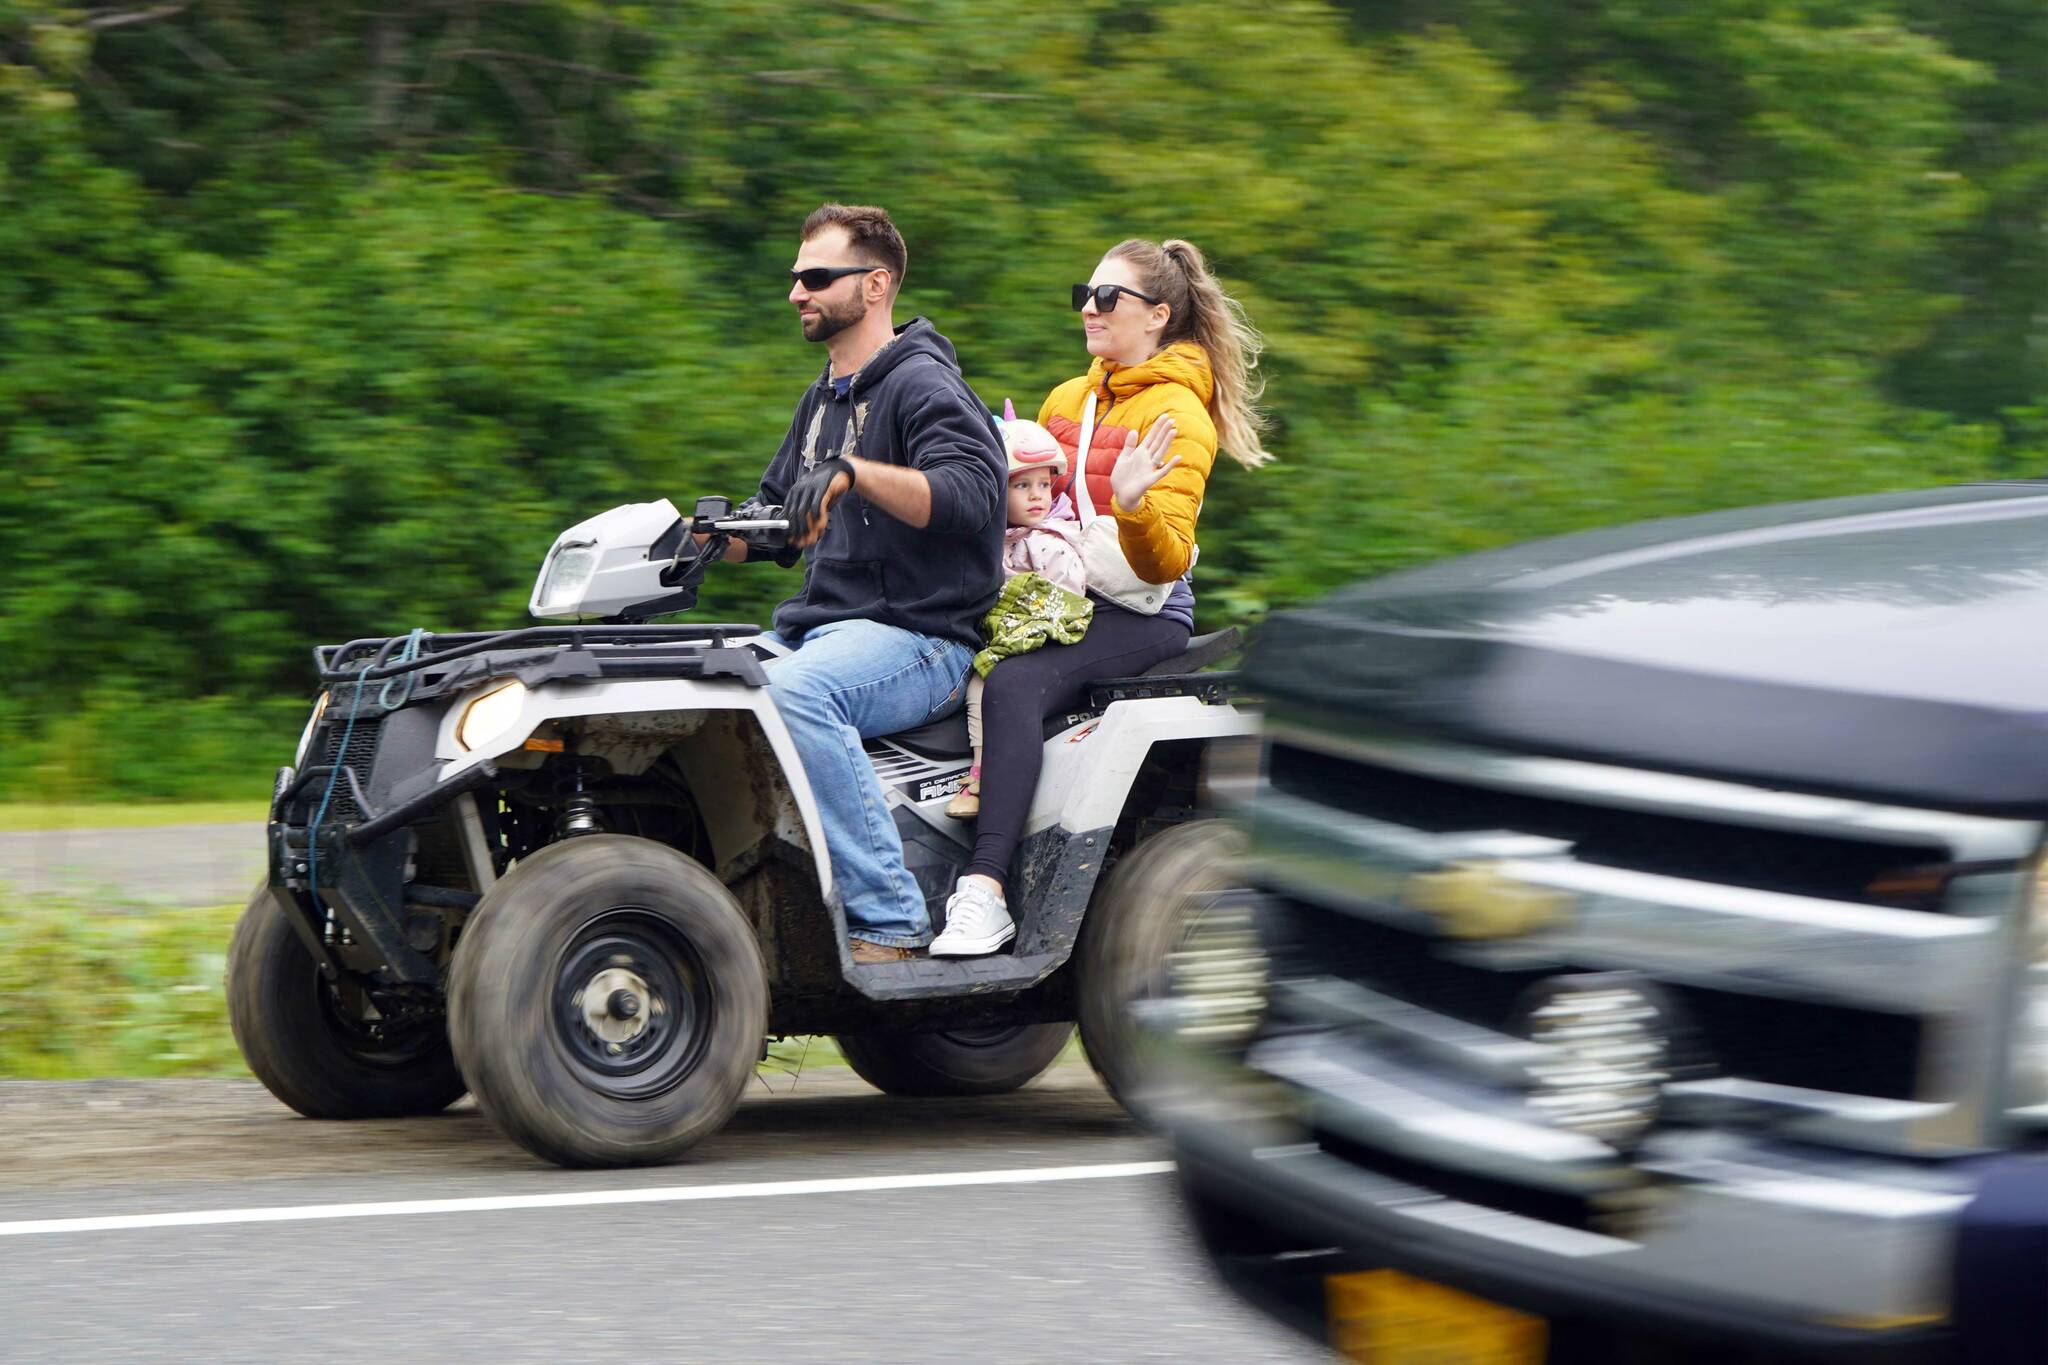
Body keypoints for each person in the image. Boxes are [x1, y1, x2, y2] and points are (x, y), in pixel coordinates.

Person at [927, 237, 1271, 958]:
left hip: (1138, 611)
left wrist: (1133, 505)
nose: (1088, 306)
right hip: (1058, 594)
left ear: (1157, 316)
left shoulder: (1182, 411)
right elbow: (1027, 505)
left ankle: (985, 891)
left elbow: (1166, 558)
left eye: (1107, 296)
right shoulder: (1065, 400)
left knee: (1014, 685)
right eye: (1083, 292)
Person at [732, 203, 1007, 965]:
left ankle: (888, 923)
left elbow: (973, 495)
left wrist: (856, 475)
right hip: (824, 629)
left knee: (797, 693)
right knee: (698, 681)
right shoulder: (821, 399)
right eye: (794, 277)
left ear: (876, 284)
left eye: (816, 277)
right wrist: (695, 539)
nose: (796, 292)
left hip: (925, 640)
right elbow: (780, 523)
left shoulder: (924, 383)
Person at [942, 406, 1089, 830]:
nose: (1038, 495)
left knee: (983, 683)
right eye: (1022, 485)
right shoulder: (997, 540)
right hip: (1004, 632)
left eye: (1044, 484)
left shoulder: (1049, 544)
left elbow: (1064, 606)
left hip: (1037, 640)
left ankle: (984, 778)